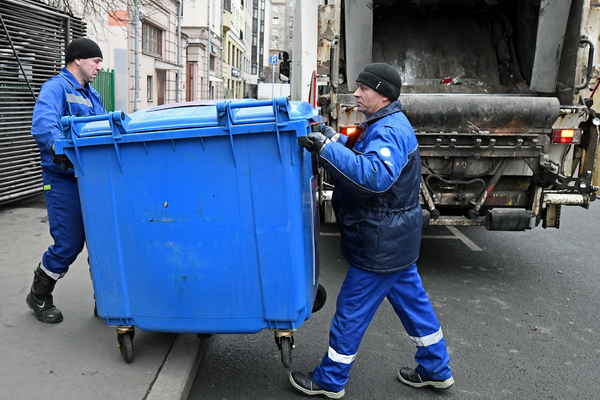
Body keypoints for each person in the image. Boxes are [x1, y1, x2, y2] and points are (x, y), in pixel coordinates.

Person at [291, 63, 453, 398]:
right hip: (395, 239)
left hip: (380, 243)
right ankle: (436, 368)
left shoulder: (390, 130)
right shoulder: (384, 123)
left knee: (352, 310)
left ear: (382, 94)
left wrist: (325, 149)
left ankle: (330, 380)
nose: (357, 93)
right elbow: (367, 158)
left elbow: (376, 177)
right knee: (415, 305)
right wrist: (334, 140)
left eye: (364, 88)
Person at [27, 38, 106, 324]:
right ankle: (38, 295)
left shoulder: (92, 95)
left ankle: (108, 299)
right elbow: (43, 125)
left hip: (92, 178)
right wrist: (64, 154)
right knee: (69, 243)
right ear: (78, 60)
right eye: (96, 61)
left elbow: (103, 129)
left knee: (102, 240)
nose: (100, 66)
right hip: (63, 180)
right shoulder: (56, 88)